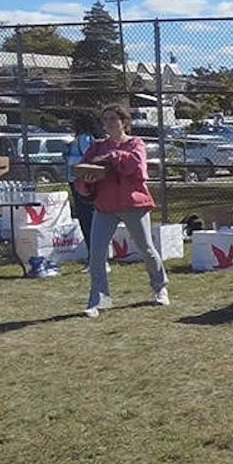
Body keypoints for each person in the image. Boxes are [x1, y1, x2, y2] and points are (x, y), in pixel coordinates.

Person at [74, 105, 169, 317]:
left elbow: (136, 167)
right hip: (105, 206)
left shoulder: (136, 143)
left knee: (146, 249)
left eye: (113, 118)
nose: (108, 123)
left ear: (124, 122)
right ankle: (99, 301)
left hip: (133, 204)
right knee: (96, 255)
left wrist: (113, 157)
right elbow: (82, 173)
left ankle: (160, 287)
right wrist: (87, 180)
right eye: (105, 119)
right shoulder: (97, 147)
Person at [62, 109, 100, 248]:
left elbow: (87, 157)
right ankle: (92, 252)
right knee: (84, 216)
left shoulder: (84, 138)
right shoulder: (79, 138)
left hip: (82, 180)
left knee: (87, 216)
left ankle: (94, 252)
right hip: (74, 179)